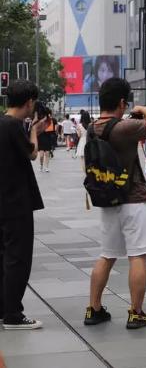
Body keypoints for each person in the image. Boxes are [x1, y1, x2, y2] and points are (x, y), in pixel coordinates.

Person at [84, 78, 146, 329]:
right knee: (137, 256)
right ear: (121, 102)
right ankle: (136, 312)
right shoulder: (126, 127)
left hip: (107, 198)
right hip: (134, 199)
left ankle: (93, 309)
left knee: (106, 255)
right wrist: (143, 111)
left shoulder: (91, 128)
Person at [0, 80, 45, 329]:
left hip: (1, 200)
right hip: (16, 203)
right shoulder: (14, 125)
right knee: (18, 258)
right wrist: (35, 130)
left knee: (3, 257)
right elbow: (31, 153)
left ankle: (3, 309)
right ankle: (14, 315)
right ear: (29, 102)